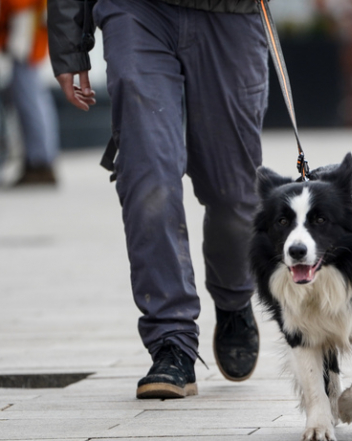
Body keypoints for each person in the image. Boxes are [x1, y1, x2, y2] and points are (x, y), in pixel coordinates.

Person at [47, 0, 269, 399]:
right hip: (136, 11)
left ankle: (234, 295)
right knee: (148, 175)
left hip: (231, 15)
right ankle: (171, 339)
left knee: (235, 195)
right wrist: (69, 43)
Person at [1, 0, 60, 185]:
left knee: (29, 97)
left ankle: (40, 161)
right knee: (31, 95)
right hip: (24, 23)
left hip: (23, 24)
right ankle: (40, 160)